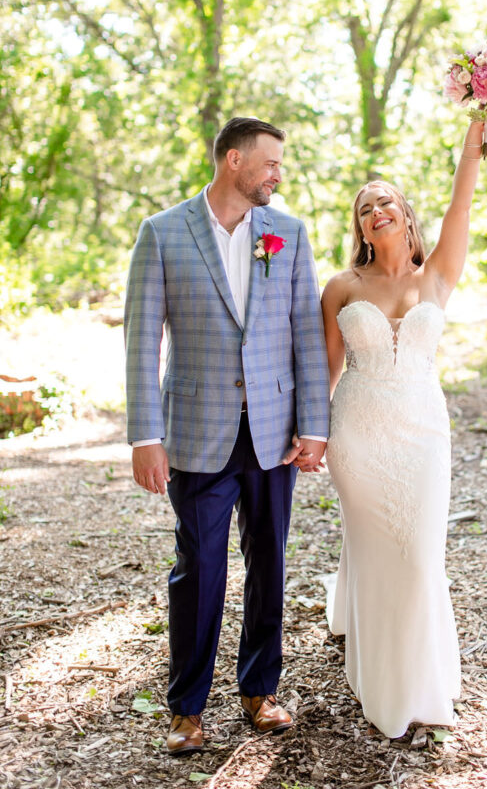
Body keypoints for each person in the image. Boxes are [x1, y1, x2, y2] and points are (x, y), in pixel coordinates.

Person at [124, 117, 330, 755]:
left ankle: (259, 690)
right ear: (234, 161)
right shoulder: (162, 233)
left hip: (273, 432)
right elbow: (141, 340)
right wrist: (144, 437)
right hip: (196, 432)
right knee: (200, 569)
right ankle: (186, 707)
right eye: (270, 164)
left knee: (269, 563)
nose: (278, 175)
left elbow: (305, 333)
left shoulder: (288, 234)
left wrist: (314, 425)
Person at [319, 119, 485, 739]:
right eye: (365, 209)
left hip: (422, 435)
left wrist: (478, 125)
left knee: (418, 559)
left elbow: (462, 199)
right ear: (360, 228)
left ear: (407, 216)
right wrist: (308, 437)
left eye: (385, 200)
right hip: (357, 437)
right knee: (374, 551)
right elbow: (325, 375)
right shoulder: (340, 288)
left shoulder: (435, 275)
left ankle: (420, 683)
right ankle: (380, 683)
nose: (375, 210)